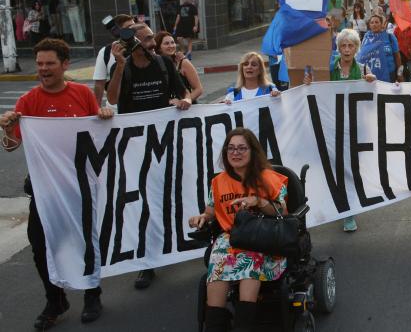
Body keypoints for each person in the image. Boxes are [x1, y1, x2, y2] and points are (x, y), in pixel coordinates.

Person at [0, 38, 113, 328]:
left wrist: (104, 115)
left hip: (79, 186)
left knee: (85, 240)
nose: (43, 69)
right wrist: (8, 128)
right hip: (45, 189)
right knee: (40, 244)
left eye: (49, 63)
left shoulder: (81, 94)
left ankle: (92, 294)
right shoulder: (28, 101)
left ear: (64, 65)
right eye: (39, 64)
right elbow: (11, 146)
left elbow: (98, 134)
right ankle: (56, 298)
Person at [106, 23, 191, 288]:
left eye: (153, 41)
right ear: (133, 43)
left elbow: (183, 92)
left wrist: (185, 101)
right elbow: (112, 97)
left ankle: (175, 243)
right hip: (135, 145)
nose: (153, 46)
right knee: (142, 200)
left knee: (169, 194)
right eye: (147, 42)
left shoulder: (164, 65)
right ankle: (148, 261)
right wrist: (119, 65)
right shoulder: (123, 67)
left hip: (165, 140)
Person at [188, 128, 289, 332]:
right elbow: (210, 211)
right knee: (219, 259)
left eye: (242, 148)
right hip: (231, 238)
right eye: (231, 148)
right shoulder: (218, 182)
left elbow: (283, 212)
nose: (236, 153)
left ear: (253, 151)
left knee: (250, 257)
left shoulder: (268, 178)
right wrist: (203, 217)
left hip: (263, 236)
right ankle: (216, 326)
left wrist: (259, 201)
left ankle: (244, 325)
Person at [305, 29, 374, 230]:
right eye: (343, 45)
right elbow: (315, 90)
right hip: (331, 127)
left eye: (350, 45)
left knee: (351, 169)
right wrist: (309, 83)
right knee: (333, 169)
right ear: (338, 48)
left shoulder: (363, 70)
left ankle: (349, 213)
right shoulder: (328, 69)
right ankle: (337, 206)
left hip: (355, 128)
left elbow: (371, 100)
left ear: (356, 48)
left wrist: (372, 83)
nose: (346, 49)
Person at [92, 14, 134, 106]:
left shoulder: (142, 48)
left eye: (133, 26)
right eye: (129, 27)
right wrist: (95, 110)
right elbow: (99, 84)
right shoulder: (105, 52)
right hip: (115, 111)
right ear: (117, 31)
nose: (133, 30)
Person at [155, 32, 204, 103]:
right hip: (165, 109)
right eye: (166, 43)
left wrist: (184, 102)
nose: (171, 46)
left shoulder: (183, 62)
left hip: (186, 110)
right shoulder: (155, 64)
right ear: (159, 48)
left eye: (172, 42)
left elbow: (198, 89)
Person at [356, 14, 403, 82]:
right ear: (369, 25)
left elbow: (397, 57)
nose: (374, 24)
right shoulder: (366, 38)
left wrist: (400, 74)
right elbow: (361, 56)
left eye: (376, 22)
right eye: (372, 23)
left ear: (381, 24)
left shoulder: (389, 37)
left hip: (389, 75)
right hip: (370, 76)